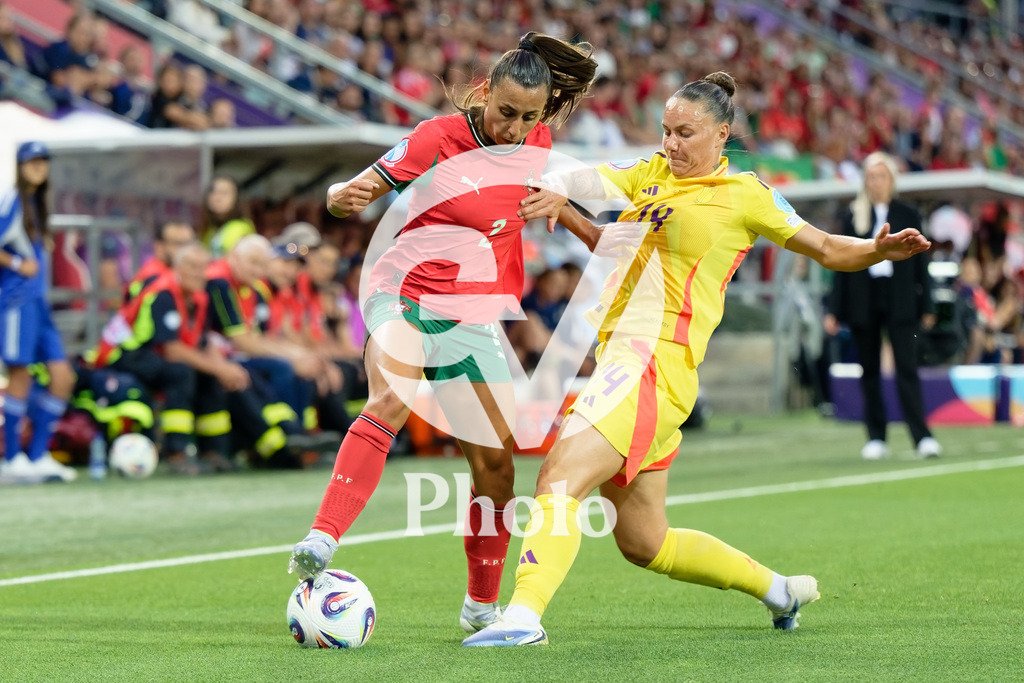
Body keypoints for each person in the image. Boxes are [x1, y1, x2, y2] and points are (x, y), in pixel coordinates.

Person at [463, 72, 932, 646]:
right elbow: (597, 202)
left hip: (654, 361)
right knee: (645, 543)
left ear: (722, 135)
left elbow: (828, 247)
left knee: (559, 476)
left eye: (685, 133)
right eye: (665, 130)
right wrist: (561, 199)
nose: (670, 144)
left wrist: (876, 250)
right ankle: (779, 589)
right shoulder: (649, 175)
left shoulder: (747, 195)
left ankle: (522, 617)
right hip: (628, 360)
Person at [287, 31, 598, 635]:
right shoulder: (437, 138)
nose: (514, 127)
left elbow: (543, 198)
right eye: (506, 111)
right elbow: (360, 187)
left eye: (528, 116)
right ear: (484, 93)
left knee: (495, 465)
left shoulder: (538, 138)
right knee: (391, 399)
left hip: (472, 311)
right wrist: (338, 197)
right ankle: (321, 539)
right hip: (402, 291)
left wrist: (589, 233)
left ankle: (481, 604)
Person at [87, 241, 248, 475]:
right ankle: (177, 453)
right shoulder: (162, 293)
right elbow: (172, 349)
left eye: (203, 267)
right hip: (125, 354)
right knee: (181, 372)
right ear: (177, 268)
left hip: (157, 355)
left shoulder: (199, 297)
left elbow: (202, 342)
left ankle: (214, 452)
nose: (199, 273)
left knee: (209, 375)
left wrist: (223, 367)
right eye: (192, 266)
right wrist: (220, 369)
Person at [823, 152, 941, 460]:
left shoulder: (908, 214)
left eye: (881, 176)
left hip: (900, 297)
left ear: (891, 180)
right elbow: (841, 264)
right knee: (870, 370)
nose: (876, 182)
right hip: (864, 298)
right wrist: (834, 310)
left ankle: (921, 437)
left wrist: (926, 304)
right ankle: (876, 436)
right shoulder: (852, 216)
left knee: (906, 368)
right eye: (871, 177)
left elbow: (920, 264)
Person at [0, 142, 77, 483]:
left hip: (39, 303)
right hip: (17, 300)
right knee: (20, 375)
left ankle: (38, 455)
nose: (38, 167)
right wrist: (18, 263)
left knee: (63, 377)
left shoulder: (37, 203)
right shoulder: (12, 199)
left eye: (43, 162)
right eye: (32, 162)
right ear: (19, 165)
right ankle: (12, 458)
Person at [124, 220, 195, 302]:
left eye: (189, 244)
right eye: (178, 243)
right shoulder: (150, 278)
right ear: (159, 246)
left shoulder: (188, 274)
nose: (186, 250)